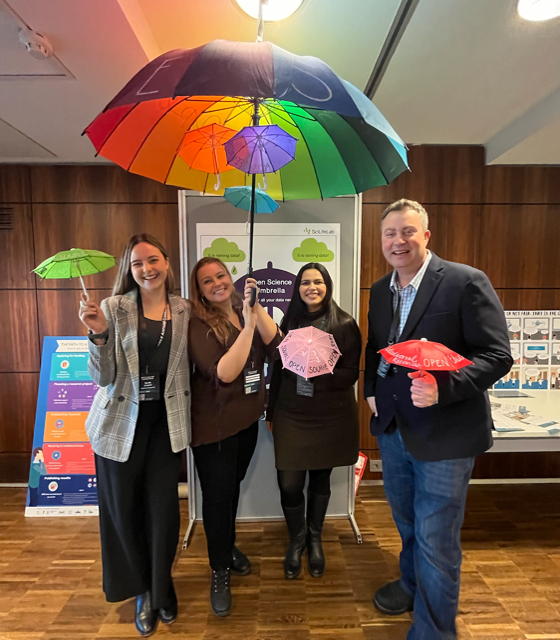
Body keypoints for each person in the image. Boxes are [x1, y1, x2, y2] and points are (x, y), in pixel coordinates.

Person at [364, 199, 512, 640]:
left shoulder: (465, 282)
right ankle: (412, 585)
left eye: (408, 231)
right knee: (409, 524)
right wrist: (371, 391)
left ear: (426, 236)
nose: (398, 241)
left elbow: (497, 355)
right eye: (390, 233)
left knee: (436, 539)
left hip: (447, 436)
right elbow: (377, 348)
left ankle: (434, 632)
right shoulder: (380, 290)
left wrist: (443, 389)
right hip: (394, 430)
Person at [78, 233, 191, 638]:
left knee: (163, 512)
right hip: (118, 424)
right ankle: (143, 590)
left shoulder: (184, 309)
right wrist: (98, 335)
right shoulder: (112, 308)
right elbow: (102, 376)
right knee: (124, 512)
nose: (147, 268)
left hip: (165, 425)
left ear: (166, 263)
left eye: (153, 259)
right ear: (130, 270)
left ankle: (163, 586)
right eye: (138, 263)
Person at [188, 257, 281, 617]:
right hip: (214, 427)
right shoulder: (198, 323)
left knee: (230, 491)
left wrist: (255, 311)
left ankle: (226, 547)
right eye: (207, 281)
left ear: (231, 277)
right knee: (217, 498)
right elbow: (225, 373)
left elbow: (278, 347)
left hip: (246, 421)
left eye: (221, 275)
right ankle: (219, 570)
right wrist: (248, 326)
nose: (217, 283)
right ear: (199, 290)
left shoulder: (246, 310)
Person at [266, 263, 361, 580]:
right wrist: (271, 410)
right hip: (291, 413)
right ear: (298, 288)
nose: (312, 287)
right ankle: (297, 539)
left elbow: (351, 374)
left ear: (327, 285)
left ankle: (314, 538)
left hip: (329, 415)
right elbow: (278, 368)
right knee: (289, 483)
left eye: (318, 281)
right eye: (305, 282)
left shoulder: (344, 323)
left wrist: (320, 372)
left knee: (320, 480)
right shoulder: (289, 321)